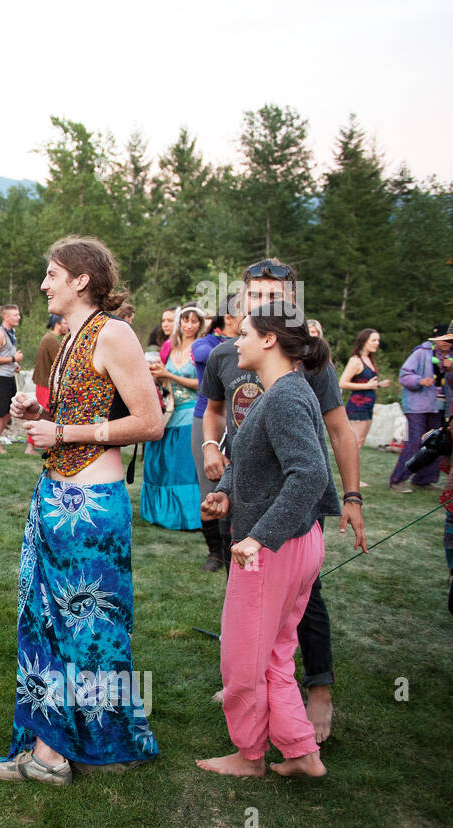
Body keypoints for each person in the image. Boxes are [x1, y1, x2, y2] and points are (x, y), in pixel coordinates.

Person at [0, 236, 163, 786]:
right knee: (44, 625)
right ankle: (52, 745)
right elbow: (83, 408)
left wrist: (63, 430)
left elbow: (149, 422)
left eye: (52, 273)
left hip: (92, 509)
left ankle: (60, 753)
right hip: (55, 498)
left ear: (82, 280)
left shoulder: (115, 333)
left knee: (88, 629)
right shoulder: (69, 337)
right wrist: (40, 410)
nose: (44, 283)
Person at [200, 257, 365, 744]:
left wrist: (351, 495)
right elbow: (212, 413)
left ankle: (318, 687)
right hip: (245, 494)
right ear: (243, 298)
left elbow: (337, 430)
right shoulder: (228, 353)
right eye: (255, 296)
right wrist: (213, 455)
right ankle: (248, 683)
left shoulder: (302, 360)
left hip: (293, 502)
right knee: (247, 592)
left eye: (275, 296)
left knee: (304, 598)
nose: (263, 304)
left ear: (291, 302)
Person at [196, 303, 333, 779]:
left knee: (241, 656)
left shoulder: (285, 397)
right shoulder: (283, 392)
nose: (236, 341)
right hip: (296, 542)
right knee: (275, 651)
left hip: (276, 548)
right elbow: (260, 464)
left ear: (270, 340)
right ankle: (301, 752)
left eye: (246, 333)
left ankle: (248, 756)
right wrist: (225, 495)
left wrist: (259, 538)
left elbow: (309, 473)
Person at [141, 302, 204, 530]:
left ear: (200, 324)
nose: (189, 325)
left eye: (193, 321)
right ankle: (160, 512)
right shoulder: (169, 346)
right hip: (168, 409)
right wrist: (158, 375)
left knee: (183, 464)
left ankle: (187, 516)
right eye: (185, 320)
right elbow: (163, 379)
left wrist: (169, 374)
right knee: (161, 460)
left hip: (191, 409)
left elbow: (202, 384)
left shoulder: (201, 348)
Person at [192, 296, 240, 570]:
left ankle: (236, 546)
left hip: (243, 419)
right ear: (228, 317)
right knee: (210, 485)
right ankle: (215, 552)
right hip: (207, 419)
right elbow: (204, 356)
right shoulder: (206, 343)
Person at [389, 325, 452, 491]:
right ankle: (398, 480)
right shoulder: (421, 353)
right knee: (415, 441)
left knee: (437, 442)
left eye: (449, 340)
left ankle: (424, 479)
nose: (446, 343)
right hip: (417, 405)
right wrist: (420, 380)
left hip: (441, 406)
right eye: (443, 339)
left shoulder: (451, 357)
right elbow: (404, 375)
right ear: (436, 340)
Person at [339, 328, 391, 458]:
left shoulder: (369, 359)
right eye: (373, 340)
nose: (377, 343)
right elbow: (342, 383)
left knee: (360, 442)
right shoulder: (355, 360)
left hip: (368, 406)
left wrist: (378, 385)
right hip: (357, 406)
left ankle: (352, 475)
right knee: (354, 443)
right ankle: (348, 475)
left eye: (378, 340)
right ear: (364, 341)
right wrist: (368, 385)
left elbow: (365, 383)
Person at [29, 313, 68, 455]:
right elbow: (61, 362)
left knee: (42, 413)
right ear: (57, 324)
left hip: (43, 382)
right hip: (45, 384)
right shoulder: (51, 340)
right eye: (64, 323)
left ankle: (38, 446)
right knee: (42, 413)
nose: (67, 326)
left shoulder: (48, 338)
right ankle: (32, 447)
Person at [0, 304, 22, 453]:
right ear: (6, 317)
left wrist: (14, 364)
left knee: (8, 412)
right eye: (15, 315)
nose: (19, 317)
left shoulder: (11, 332)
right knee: (0, 413)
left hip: (8, 376)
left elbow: (5, 355)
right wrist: (13, 357)